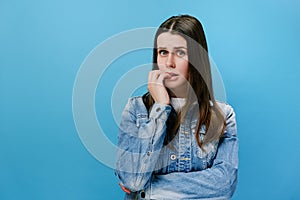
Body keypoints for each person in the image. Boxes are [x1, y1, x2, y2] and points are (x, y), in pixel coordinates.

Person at [115, 14, 238, 200]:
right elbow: (132, 181)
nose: (169, 63)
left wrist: (147, 192)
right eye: (163, 52)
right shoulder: (136, 110)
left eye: (180, 52)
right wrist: (160, 107)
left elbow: (224, 185)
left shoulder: (223, 116)